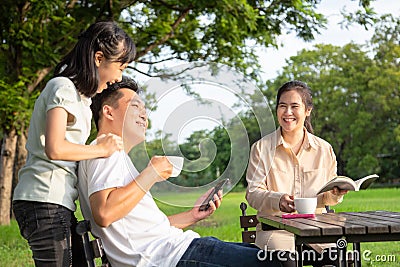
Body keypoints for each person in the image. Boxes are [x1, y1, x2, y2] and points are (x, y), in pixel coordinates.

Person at [77, 77, 282, 267]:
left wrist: (192, 216)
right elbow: (104, 213)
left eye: (145, 109)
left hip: (177, 249)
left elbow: (147, 229)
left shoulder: (117, 157)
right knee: (274, 262)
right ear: (108, 112)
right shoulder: (104, 150)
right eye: (135, 106)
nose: (144, 114)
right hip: (169, 257)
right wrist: (152, 172)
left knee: (272, 257)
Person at [12, 21, 136, 267]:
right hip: (44, 198)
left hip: (57, 202)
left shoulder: (82, 98)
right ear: (99, 58)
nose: (119, 76)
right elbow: (55, 148)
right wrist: (101, 149)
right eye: (120, 66)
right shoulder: (63, 87)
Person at [246, 80, 348, 266]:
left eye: (294, 106)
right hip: (275, 230)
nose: (287, 113)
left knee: (335, 258)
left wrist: (335, 194)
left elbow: (326, 197)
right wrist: (277, 199)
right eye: (282, 106)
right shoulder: (261, 148)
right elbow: (253, 193)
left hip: (317, 229)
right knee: (286, 261)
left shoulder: (324, 149)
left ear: (307, 110)